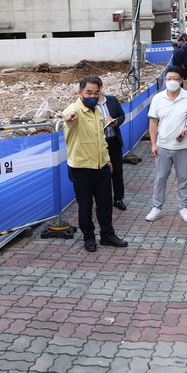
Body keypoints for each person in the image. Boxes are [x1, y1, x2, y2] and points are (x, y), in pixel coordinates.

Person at [63, 77, 128, 252]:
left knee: (105, 204)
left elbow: (101, 139)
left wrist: (107, 159)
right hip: (81, 168)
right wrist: (68, 118)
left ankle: (107, 235)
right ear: (80, 93)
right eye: (88, 92)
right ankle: (89, 237)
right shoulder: (74, 110)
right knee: (85, 207)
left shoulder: (97, 111)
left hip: (101, 167)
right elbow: (68, 116)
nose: (92, 96)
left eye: (96, 93)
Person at [146, 66, 187, 222]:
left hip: (183, 146)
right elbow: (153, 122)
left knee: (183, 178)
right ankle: (156, 207)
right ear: (164, 80)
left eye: (175, 78)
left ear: (181, 80)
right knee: (160, 178)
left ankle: (184, 207)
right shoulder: (158, 98)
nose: (171, 81)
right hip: (162, 146)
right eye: (168, 78)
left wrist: (186, 129)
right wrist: (153, 144)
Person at [94, 80, 127, 211]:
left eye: (96, 90)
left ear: (101, 88)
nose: (94, 93)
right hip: (98, 144)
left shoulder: (112, 100)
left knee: (117, 172)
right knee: (102, 174)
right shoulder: (89, 105)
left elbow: (121, 115)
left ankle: (118, 198)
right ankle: (103, 200)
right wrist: (102, 123)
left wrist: (116, 122)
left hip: (113, 141)